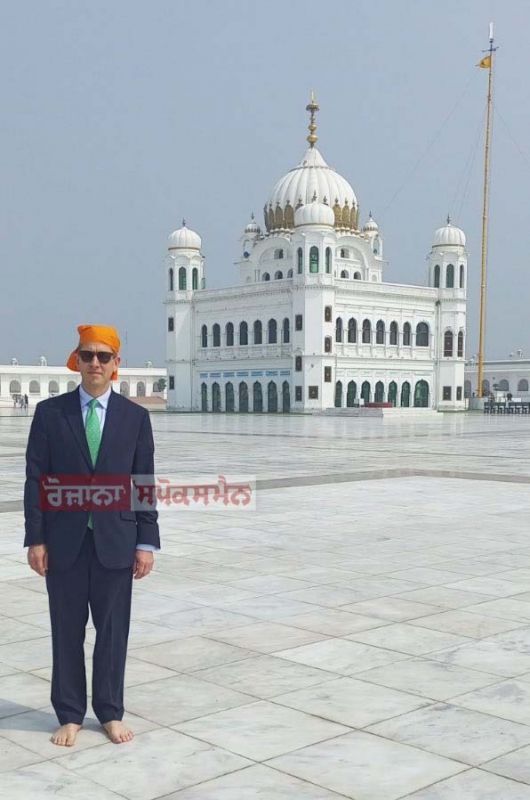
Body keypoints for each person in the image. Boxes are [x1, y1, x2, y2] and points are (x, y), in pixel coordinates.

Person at [24, 324, 160, 748]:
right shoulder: (51, 414)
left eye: (104, 356)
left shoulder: (135, 418)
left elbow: (143, 481)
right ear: (77, 361)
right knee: (66, 630)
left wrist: (146, 541)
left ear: (116, 364)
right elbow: (36, 480)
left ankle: (109, 711)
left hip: (116, 542)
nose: (95, 363)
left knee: (113, 631)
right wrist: (36, 538)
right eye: (88, 356)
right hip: (64, 543)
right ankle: (68, 714)